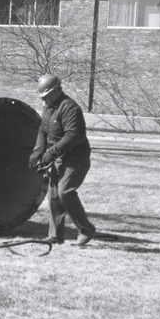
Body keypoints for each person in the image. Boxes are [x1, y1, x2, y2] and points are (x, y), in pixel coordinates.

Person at [28, 74, 97, 246]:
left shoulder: (70, 108)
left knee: (65, 192)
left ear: (57, 90)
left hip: (76, 158)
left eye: (46, 96)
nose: (44, 101)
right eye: (42, 98)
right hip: (59, 158)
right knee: (53, 197)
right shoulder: (49, 108)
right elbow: (43, 131)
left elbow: (72, 135)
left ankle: (85, 228)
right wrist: (37, 151)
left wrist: (50, 153)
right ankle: (55, 236)